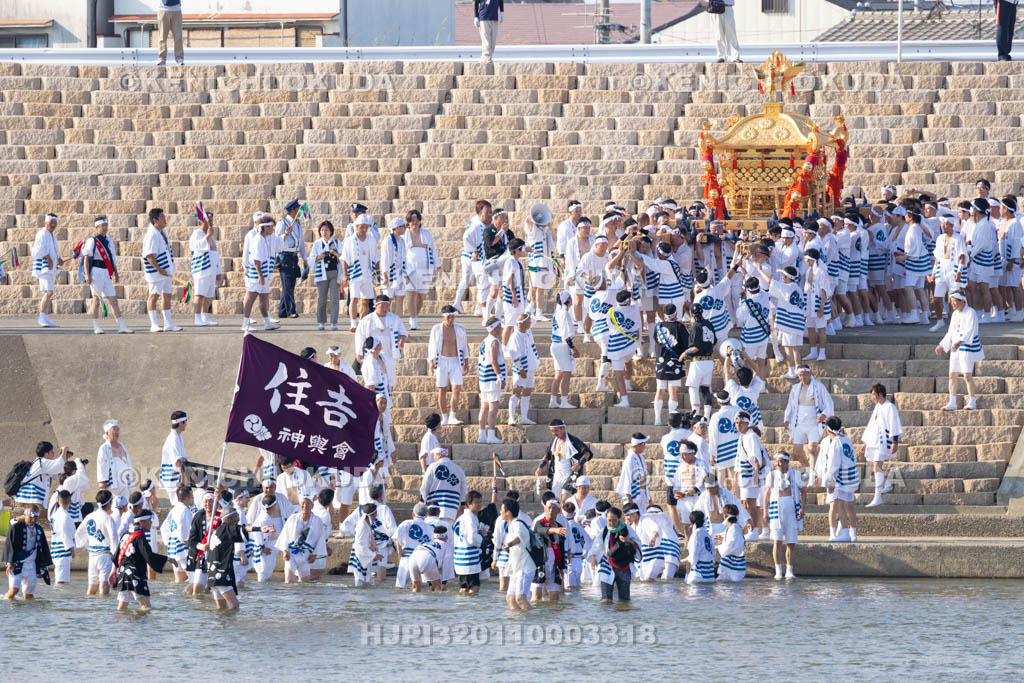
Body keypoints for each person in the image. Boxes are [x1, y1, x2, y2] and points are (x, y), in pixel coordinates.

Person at [81, 216, 133, 334]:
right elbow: (86, 258)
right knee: (96, 300)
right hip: (96, 271)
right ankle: (96, 326)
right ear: (97, 227)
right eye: (102, 226)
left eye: (106, 225)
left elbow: (112, 258)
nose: (105, 228)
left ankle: (121, 326)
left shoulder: (109, 240)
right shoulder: (92, 241)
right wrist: (87, 274)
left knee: (113, 300)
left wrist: (116, 272)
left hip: (106, 271)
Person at [783, 365, 834, 482]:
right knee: (796, 451)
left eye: (805, 374)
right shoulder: (795, 388)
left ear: (810, 374)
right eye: (800, 375)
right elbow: (790, 405)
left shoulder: (819, 387)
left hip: (813, 423)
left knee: (812, 448)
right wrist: (787, 419)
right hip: (799, 422)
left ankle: (812, 473)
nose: (803, 377)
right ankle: (808, 468)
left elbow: (829, 402)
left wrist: (824, 414)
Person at [936, 291, 984, 410]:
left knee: (967, 375)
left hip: (967, 345)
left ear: (962, 301)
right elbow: (951, 332)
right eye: (951, 302)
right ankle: (952, 402)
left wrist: (960, 341)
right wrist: (942, 345)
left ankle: (972, 401)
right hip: (955, 346)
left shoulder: (970, 312)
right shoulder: (955, 314)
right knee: (952, 374)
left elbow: (970, 331)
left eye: (954, 302)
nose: (952, 304)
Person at [114, 509, 169, 611]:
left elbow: (116, 555)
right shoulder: (139, 536)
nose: (151, 523)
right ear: (142, 522)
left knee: (122, 607)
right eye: (149, 521)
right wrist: (168, 559)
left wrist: (113, 572)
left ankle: (118, 626)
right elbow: (148, 556)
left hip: (123, 574)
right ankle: (143, 627)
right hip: (134, 575)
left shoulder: (126, 534)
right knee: (146, 606)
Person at [763, 452, 805, 579]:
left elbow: (803, 492)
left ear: (787, 462)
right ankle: (778, 570)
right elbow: (767, 495)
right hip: (776, 509)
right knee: (777, 541)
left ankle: (789, 569)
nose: (778, 464)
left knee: (791, 542)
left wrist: (802, 508)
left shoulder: (795, 474)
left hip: (792, 509)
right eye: (776, 461)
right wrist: (765, 511)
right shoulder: (771, 475)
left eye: (781, 461)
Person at [142, 207, 182, 333]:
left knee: (167, 295)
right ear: (155, 220)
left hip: (166, 270)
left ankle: (168, 323)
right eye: (162, 218)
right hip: (156, 272)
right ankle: (154, 324)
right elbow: (149, 256)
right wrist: (159, 270)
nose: (165, 220)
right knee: (153, 296)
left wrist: (168, 270)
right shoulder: (151, 235)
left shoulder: (162, 232)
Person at [354, 295, 407, 388]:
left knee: (390, 381)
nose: (385, 308)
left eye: (387, 306)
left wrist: (402, 340)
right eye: (382, 306)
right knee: (372, 380)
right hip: (372, 355)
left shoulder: (395, 318)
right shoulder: (367, 320)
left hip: (389, 353)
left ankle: (388, 400)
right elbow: (359, 336)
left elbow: (403, 332)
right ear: (376, 306)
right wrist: (358, 352)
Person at [429, 305, 469, 426]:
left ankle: (453, 415)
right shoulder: (436, 329)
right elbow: (432, 345)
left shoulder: (460, 329)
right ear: (443, 316)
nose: (451, 320)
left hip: (456, 361)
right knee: (442, 389)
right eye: (448, 317)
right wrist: (431, 362)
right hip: (442, 361)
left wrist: (466, 362)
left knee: (456, 389)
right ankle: (444, 416)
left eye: (452, 317)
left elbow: (464, 346)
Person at [863, 383, 903, 508]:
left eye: (873, 395)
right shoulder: (878, 407)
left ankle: (878, 497)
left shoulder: (889, 407)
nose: (872, 397)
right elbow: (871, 425)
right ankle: (887, 484)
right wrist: (866, 442)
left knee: (877, 466)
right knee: (871, 467)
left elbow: (894, 424)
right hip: (873, 440)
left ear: (880, 394)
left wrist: (895, 442)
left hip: (882, 440)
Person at [536, 418, 594, 500]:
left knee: (565, 497)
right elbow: (547, 456)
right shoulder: (554, 441)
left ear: (563, 428)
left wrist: (579, 464)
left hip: (570, 473)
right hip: (556, 474)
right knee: (555, 499)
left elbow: (587, 453)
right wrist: (540, 467)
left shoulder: (573, 440)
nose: (554, 433)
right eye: (552, 431)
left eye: (556, 430)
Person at [822, 416, 859, 542]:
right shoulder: (847, 439)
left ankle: (844, 533)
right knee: (849, 505)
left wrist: (831, 482)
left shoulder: (836, 442)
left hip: (841, 478)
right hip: (851, 477)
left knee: (839, 506)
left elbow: (833, 464)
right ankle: (852, 533)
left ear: (828, 430)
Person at [4, 504, 52, 600]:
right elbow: (9, 544)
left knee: (29, 594)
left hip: (31, 565)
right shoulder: (16, 527)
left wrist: (42, 567)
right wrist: (9, 563)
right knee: (14, 590)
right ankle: (7, 608)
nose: (33, 520)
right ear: (25, 515)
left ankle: (29, 614)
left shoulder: (39, 529)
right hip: (16, 563)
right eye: (31, 517)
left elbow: (43, 548)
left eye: (35, 517)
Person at [241, 213, 280, 333]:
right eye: (271, 227)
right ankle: (245, 323)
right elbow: (257, 260)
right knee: (251, 297)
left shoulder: (265, 239)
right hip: (257, 275)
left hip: (264, 274)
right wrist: (260, 276)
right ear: (265, 227)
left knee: (264, 298)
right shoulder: (258, 240)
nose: (273, 229)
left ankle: (267, 323)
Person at [75, 490, 118, 596]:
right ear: (109, 503)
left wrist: (87, 546)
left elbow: (78, 534)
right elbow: (113, 537)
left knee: (91, 588)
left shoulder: (90, 516)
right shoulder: (108, 518)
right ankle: (102, 611)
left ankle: (90, 611)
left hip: (92, 556)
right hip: (105, 556)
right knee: (104, 587)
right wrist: (115, 555)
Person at [342, 214, 380, 331]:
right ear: (356, 226)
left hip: (368, 274)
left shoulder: (371, 240)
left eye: (366, 227)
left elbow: (376, 258)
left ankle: (362, 324)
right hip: (354, 274)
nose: (363, 229)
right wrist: (345, 275)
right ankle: (353, 323)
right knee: (354, 298)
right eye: (361, 227)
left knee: (366, 301)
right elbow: (345, 259)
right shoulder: (349, 241)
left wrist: (378, 274)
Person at [652, 304, 689, 425]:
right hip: (675, 361)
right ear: (676, 313)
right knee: (673, 391)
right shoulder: (680, 327)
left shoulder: (658, 326)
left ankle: (657, 419)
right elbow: (686, 344)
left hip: (661, 361)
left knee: (660, 390)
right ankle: (671, 420)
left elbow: (656, 341)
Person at [594, 506, 639, 602]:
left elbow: (638, 545)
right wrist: (593, 557)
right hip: (607, 565)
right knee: (606, 600)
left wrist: (628, 540)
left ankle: (622, 617)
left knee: (624, 600)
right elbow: (597, 545)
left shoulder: (627, 529)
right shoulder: (605, 530)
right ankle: (607, 617)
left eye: (614, 520)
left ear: (619, 518)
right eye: (609, 520)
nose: (611, 523)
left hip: (624, 566)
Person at [453, 200, 491, 316]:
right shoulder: (477, 222)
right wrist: (474, 250)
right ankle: (477, 307)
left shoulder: (475, 220)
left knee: (468, 279)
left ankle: (459, 302)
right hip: (472, 254)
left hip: (469, 254)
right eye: (487, 211)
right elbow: (467, 237)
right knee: (480, 279)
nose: (489, 214)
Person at [277, 496, 326, 584]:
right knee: (288, 580)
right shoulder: (293, 518)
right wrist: (285, 551)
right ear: (300, 505)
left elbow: (321, 538)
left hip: (306, 555)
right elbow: (285, 534)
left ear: (312, 506)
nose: (305, 506)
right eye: (303, 503)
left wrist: (315, 554)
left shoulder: (317, 520)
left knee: (304, 583)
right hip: (292, 553)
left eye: (307, 503)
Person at [734, 411, 767, 541]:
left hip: (750, 473)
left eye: (741, 423)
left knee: (751, 502)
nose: (738, 425)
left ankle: (754, 530)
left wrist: (755, 476)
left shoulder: (751, 436)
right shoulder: (742, 436)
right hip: (743, 473)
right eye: (737, 423)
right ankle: (751, 528)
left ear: (748, 423)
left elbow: (756, 458)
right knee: (746, 503)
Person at [403, 209, 437, 329]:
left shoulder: (426, 234)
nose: (415, 223)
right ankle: (413, 320)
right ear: (408, 222)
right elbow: (402, 254)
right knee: (411, 294)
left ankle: (414, 315)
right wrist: (404, 272)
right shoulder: (404, 235)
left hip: (424, 268)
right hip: (410, 269)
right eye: (412, 221)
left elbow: (432, 250)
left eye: (417, 220)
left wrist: (437, 266)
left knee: (421, 296)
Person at [682, 301, 717, 418]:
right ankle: (706, 417)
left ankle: (695, 415)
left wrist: (684, 353)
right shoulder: (709, 323)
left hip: (698, 362)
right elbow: (714, 341)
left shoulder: (696, 326)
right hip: (709, 361)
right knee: (706, 389)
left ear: (691, 314)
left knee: (693, 388)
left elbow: (695, 347)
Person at [206, 503, 244, 609]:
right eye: (236, 517)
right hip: (220, 574)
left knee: (221, 608)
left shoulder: (219, 531)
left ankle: (221, 625)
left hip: (213, 574)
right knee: (234, 605)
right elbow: (243, 530)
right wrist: (259, 529)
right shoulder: (226, 528)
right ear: (228, 520)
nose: (238, 520)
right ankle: (232, 625)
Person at [188, 209, 222, 327]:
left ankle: (205, 316)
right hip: (201, 268)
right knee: (200, 294)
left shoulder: (212, 237)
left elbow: (215, 253)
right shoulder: (197, 234)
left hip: (211, 269)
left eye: (212, 220)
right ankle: (197, 318)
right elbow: (196, 247)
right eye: (208, 220)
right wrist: (207, 236)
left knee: (208, 295)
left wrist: (219, 270)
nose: (211, 222)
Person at [499, 498, 534, 609]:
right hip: (516, 568)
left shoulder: (518, 524)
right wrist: (509, 560)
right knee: (510, 599)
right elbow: (517, 549)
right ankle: (516, 623)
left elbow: (519, 538)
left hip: (525, 567)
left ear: (508, 512)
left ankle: (534, 620)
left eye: (502, 510)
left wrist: (509, 544)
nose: (500, 512)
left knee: (520, 598)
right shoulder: (511, 525)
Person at [531, 497, 567, 602]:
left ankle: (553, 618)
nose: (551, 510)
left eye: (554, 508)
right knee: (537, 597)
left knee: (555, 596)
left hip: (554, 564)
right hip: (540, 563)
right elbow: (541, 530)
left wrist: (561, 567)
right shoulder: (539, 523)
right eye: (549, 508)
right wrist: (554, 530)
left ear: (558, 510)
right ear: (545, 509)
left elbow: (561, 548)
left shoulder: (560, 526)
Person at [477, 317, 506, 443]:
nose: (501, 328)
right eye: (499, 326)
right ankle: (491, 435)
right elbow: (494, 360)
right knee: (493, 408)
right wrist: (500, 377)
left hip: (484, 378)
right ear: (494, 328)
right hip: (491, 378)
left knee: (484, 407)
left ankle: (482, 434)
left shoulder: (485, 340)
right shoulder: (494, 342)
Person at [507, 312, 540, 425]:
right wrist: (521, 369)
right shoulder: (516, 336)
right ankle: (511, 417)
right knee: (517, 391)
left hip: (529, 367)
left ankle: (524, 417)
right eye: (528, 322)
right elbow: (514, 354)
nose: (530, 324)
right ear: (522, 324)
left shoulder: (526, 333)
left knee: (527, 390)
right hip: (521, 369)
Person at [308, 221, 342, 331]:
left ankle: (334, 322)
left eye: (326, 230)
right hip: (321, 273)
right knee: (321, 299)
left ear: (331, 231)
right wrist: (319, 257)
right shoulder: (317, 244)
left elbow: (343, 257)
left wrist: (335, 254)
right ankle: (321, 322)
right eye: (322, 230)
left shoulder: (337, 242)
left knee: (334, 299)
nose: (324, 232)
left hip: (334, 273)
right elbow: (311, 259)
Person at [275, 199, 306, 320]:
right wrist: (285, 234)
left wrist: (304, 258)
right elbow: (276, 241)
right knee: (287, 285)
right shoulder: (282, 223)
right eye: (298, 209)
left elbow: (301, 242)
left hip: (294, 257)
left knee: (289, 285)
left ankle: (282, 310)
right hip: (284, 257)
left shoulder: (297, 224)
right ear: (293, 211)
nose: (300, 211)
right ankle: (291, 310)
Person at [14, 442, 67, 512]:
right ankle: (15, 521)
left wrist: (65, 458)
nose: (53, 453)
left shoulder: (42, 464)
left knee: (39, 518)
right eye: (52, 452)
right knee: (41, 516)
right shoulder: (42, 462)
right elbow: (59, 464)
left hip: (30, 498)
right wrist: (64, 451)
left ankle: (16, 521)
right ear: (46, 454)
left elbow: (58, 476)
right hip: (29, 498)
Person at [420, 447, 467, 522]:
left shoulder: (432, 467)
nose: (433, 458)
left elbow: (425, 487)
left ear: (439, 455)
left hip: (433, 508)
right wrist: (463, 504)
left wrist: (422, 502)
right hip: (451, 508)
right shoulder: (459, 469)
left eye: (434, 455)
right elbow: (463, 490)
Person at [32, 212, 62, 328]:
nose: (53, 225)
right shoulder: (42, 233)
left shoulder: (52, 236)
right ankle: (41, 317)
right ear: (45, 223)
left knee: (47, 292)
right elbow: (37, 250)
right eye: (51, 223)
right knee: (49, 292)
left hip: (50, 267)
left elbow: (54, 250)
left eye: (55, 223)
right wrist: (48, 257)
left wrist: (59, 259)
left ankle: (45, 317)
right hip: (44, 266)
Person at [549, 290, 578, 408]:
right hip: (562, 346)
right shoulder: (564, 313)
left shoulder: (557, 311)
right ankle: (564, 401)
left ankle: (553, 400)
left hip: (555, 345)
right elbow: (566, 334)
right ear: (568, 300)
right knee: (566, 373)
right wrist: (573, 348)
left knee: (558, 374)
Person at [393, 502, 432, 589]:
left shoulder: (406, 523)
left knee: (399, 587)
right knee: (420, 588)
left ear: (413, 514)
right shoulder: (430, 528)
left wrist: (399, 551)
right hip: (422, 559)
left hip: (407, 558)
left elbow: (396, 537)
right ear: (426, 515)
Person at [708, 390, 741, 491]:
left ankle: (721, 502)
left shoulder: (715, 417)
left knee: (720, 477)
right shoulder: (738, 410)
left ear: (718, 402)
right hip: (736, 449)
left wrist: (712, 454)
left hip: (721, 451)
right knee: (735, 477)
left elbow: (713, 437)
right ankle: (738, 503)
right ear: (729, 399)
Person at [454, 490, 485, 594]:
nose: (479, 505)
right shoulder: (470, 518)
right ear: (469, 504)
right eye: (476, 502)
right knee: (474, 587)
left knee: (464, 588)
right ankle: (471, 609)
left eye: (480, 502)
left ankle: (462, 607)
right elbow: (472, 538)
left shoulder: (460, 518)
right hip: (469, 559)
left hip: (459, 558)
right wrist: (482, 536)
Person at [160, 486, 193, 583]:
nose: (193, 498)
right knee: (193, 579)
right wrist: (185, 541)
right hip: (183, 549)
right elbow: (183, 529)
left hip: (172, 549)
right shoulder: (185, 511)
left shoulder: (174, 510)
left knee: (179, 581)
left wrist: (168, 543)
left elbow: (163, 528)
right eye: (192, 496)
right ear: (186, 498)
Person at [186, 491, 217, 595]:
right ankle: (198, 609)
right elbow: (191, 540)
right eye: (206, 501)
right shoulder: (198, 516)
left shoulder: (220, 517)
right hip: (201, 556)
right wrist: (201, 546)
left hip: (216, 557)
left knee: (211, 588)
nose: (208, 504)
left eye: (211, 501)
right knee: (197, 589)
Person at [96, 420, 134, 500]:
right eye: (114, 429)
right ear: (107, 433)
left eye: (118, 429)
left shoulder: (123, 446)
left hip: (126, 485)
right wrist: (102, 485)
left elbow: (129, 464)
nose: (117, 432)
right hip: (113, 487)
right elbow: (101, 467)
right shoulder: (104, 448)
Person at [349, 503, 385, 587]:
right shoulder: (362, 526)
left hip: (365, 556)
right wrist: (374, 555)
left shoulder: (366, 524)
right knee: (360, 583)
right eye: (376, 514)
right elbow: (360, 545)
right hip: (360, 557)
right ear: (373, 514)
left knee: (366, 582)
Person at [380, 217, 408, 317]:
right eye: (403, 226)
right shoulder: (387, 241)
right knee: (388, 301)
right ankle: (388, 325)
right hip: (390, 274)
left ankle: (398, 326)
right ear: (396, 228)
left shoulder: (402, 241)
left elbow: (404, 258)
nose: (405, 228)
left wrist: (406, 274)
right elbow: (384, 259)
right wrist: (385, 275)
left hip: (400, 274)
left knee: (400, 300)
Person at [159, 411, 189, 505]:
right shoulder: (173, 438)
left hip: (176, 478)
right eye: (185, 422)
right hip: (173, 479)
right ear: (181, 423)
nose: (186, 424)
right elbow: (178, 462)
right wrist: (183, 484)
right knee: (179, 505)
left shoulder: (178, 437)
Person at [616, 433, 650, 511]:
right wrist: (629, 500)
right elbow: (626, 479)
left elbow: (644, 478)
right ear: (638, 444)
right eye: (644, 444)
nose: (644, 446)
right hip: (633, 495)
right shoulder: (629, 459)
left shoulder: (641, 457)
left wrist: (648, 497)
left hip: (642, 494)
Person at [409, 525, 448, 593]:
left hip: (413, 557)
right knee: (437, 586)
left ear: (434, 537)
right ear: (446, 537)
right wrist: (444, 583)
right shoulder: (445, 544)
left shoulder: (426, 542)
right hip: (427, 557)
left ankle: (414, 603)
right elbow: (447, 565)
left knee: (416, 587)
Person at [49, 490, 75, 584]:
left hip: (55, 550)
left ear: (58, 501)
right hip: (63, 552)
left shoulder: (54, 515)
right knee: (61, 583)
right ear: (70, 501)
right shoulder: (65, 516)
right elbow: (66, 535)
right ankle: (60, 599)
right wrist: (72, 549)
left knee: (60, 581)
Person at [716, 503, 746, 582]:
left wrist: (718, 547)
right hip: (731, 564)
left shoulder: (734, 528)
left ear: (725, 515)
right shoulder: (733, 527)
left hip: (734, 565)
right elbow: (733, 543)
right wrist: (723, 539)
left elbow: (730, 545)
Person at [684, 510, 715, 584]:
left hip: (698, 575)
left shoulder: (696, 534)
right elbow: (713, 553)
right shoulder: (707, 534)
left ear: (691, 522)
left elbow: (693, 555)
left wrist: (688, 568)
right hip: (709, 574)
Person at [156, 0, 184, 66]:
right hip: (163, 9)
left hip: (177, 10)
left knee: (178, 36)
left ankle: (179, 58)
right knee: (162, 36)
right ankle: (162, 58)